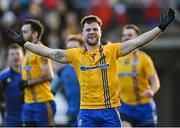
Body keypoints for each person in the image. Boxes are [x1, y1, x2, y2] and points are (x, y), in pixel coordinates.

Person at [7, 8, 175, 127]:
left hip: (110, 111)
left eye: (95, 29)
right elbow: (50, 52)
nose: (92, 32)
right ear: (83, 33)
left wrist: (159, 28)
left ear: (100, 32)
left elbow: (138, 41)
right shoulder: (75, 54)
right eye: (88, 29)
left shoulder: (112, 50)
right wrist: (25, 43)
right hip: (87, 112)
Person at [8, 19, 56, 127]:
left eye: (25, 32)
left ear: (35, 34)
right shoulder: (28, 51)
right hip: (28, 103)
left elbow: (49, 75)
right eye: (21, 31)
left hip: (43, 102)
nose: (21, 35)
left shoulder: (42, 51)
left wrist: (27, 83)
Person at [117, 24, 160, 127]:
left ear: (138, 37)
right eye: (124, 35)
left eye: (130, 35)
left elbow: (155, 82)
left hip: (144, 107)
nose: (126, 37)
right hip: (125, 106)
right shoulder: (117, 57)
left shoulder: (145, 59)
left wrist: (151, 91)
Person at [51, 34, 83, 127]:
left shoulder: (90, 68)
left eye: (75, 47)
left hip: (90, 115)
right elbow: (51, 92)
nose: (72, 51)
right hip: (72, 116)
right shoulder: (63, 71)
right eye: (69, 48)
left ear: (82, 48)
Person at [0, 44, 24, 126]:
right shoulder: (2, 76)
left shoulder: (30, 74)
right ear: (8, 57)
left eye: (18, 54)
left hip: (29, 117)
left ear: (23, 55)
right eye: (12, 54)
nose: (15, 57)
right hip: (10, 119)